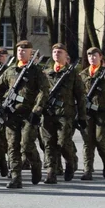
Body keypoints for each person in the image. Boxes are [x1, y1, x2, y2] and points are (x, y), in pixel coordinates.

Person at [0, 40, 49, 189]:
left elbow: (44, 91)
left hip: (28, 115)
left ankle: (36, 164)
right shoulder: (10, 71)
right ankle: (16, 177)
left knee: (26, 145)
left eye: (25, 50)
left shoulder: (36, 71)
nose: (21, 52)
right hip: (12, 115)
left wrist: (37, 110)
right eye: (19, 50)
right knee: (12, 146)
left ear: (31, 53)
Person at [39, 43, 87, 184]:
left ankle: (70, 161)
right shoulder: (46, 73)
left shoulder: (72, 74)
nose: (56, 54)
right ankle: (50, 173)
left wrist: (82, 116)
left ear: (66, 56)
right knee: (48, 143)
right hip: (47, 114)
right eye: (54, 52)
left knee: (63, 142)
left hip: (65, 114)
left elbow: (80, 97)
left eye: (60, 52)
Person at [80, 47, 105, 179]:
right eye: (89, 56)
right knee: (87, 142)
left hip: (102, 113)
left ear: (100, 57)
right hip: (88, 113)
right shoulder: (83, 74)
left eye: (95, 56)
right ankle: (87, 170)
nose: (92, 58)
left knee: (100, 139)